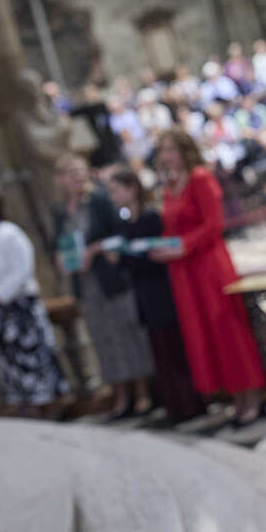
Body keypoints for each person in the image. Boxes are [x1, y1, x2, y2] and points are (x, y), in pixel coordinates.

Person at [150, 129, 266, 426]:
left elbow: (214, 224)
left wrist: (183, 246)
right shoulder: (170, 185)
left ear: (184, 150)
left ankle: (251, 396)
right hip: (184, 271)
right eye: (163, 151)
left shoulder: (200, 178)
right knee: (204, 333)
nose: (166, 156)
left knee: (226, 328)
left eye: (171, 150)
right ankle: (233, 397)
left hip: (208, 265)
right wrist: (161, 246)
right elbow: (172, 227)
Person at [52, 155, 156, 418]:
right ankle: (120, 394)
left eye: (80, 170)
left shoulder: (99, 200)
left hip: (110, 277)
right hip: (85, 282)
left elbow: (119, 232)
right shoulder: (61, 211)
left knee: (127, 333)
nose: (77, 176)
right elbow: (59, 243)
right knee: (102, 338)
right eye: (71, 172)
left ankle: (142, 393)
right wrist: (63, 259)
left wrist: (95, 249)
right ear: (61, 179)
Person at [107, 168, 205, 424]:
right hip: (143, 293)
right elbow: (129, 260)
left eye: (116, 190)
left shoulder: (151, 218)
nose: (113, 196)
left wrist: (129, 257)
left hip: (161, 290)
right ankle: (174, 406)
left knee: (175, 349)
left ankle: (190, 404)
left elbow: (157, 253)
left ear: (132, 189)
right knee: (159, 350)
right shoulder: (124, 224)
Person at [0, 191, 70, 416]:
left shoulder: (9, 234)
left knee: (33, 355)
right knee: (10, 359)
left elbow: (23, 269)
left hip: (19, 307)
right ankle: (25, 401)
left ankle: (49, 402)